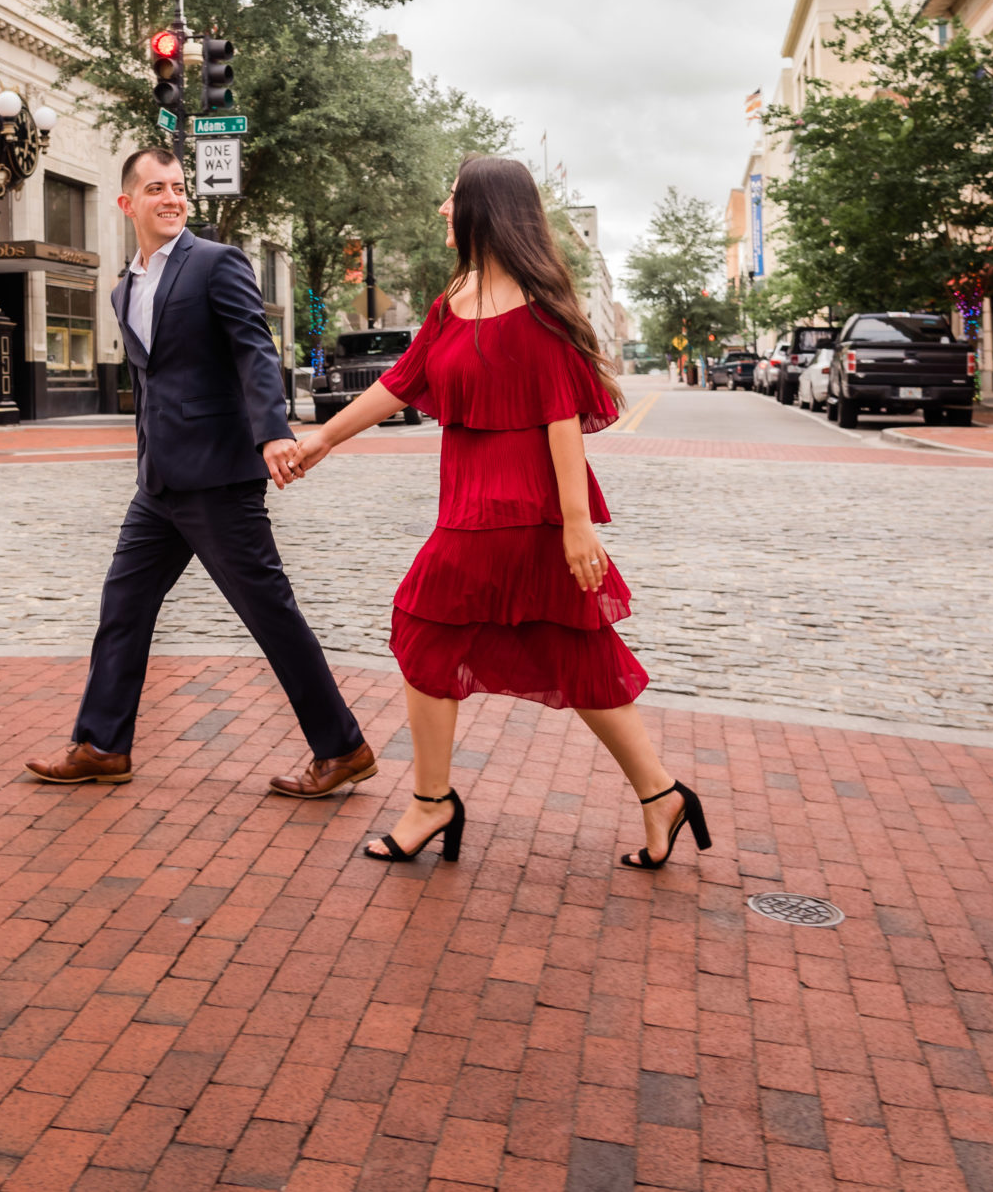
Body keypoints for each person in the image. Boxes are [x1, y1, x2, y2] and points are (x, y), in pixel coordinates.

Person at [294, 156, 710, 870]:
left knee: (424, 628)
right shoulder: (454, 297)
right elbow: (402, 381)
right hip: (472, 501)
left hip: (519, 509)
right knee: (576, 654)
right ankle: (661, 793)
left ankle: (431, 802)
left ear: (484, 208)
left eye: (451, 199)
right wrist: (324, 438)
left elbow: (562, 420)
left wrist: (577, 525)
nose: (442, 210)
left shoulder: (537, 310)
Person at [25, 147, 376, 798]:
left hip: (217, 478)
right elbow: (151, 383)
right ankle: (102, 744)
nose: (172, 197)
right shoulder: (122, 286)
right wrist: (145, 460)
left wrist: (273, 430)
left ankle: (342, 746)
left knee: (269, 612)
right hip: (159, 485)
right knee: (123, 604)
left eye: (178, 187)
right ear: (127, 202)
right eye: (155, 188)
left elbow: (254, 347)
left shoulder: (215, 262)